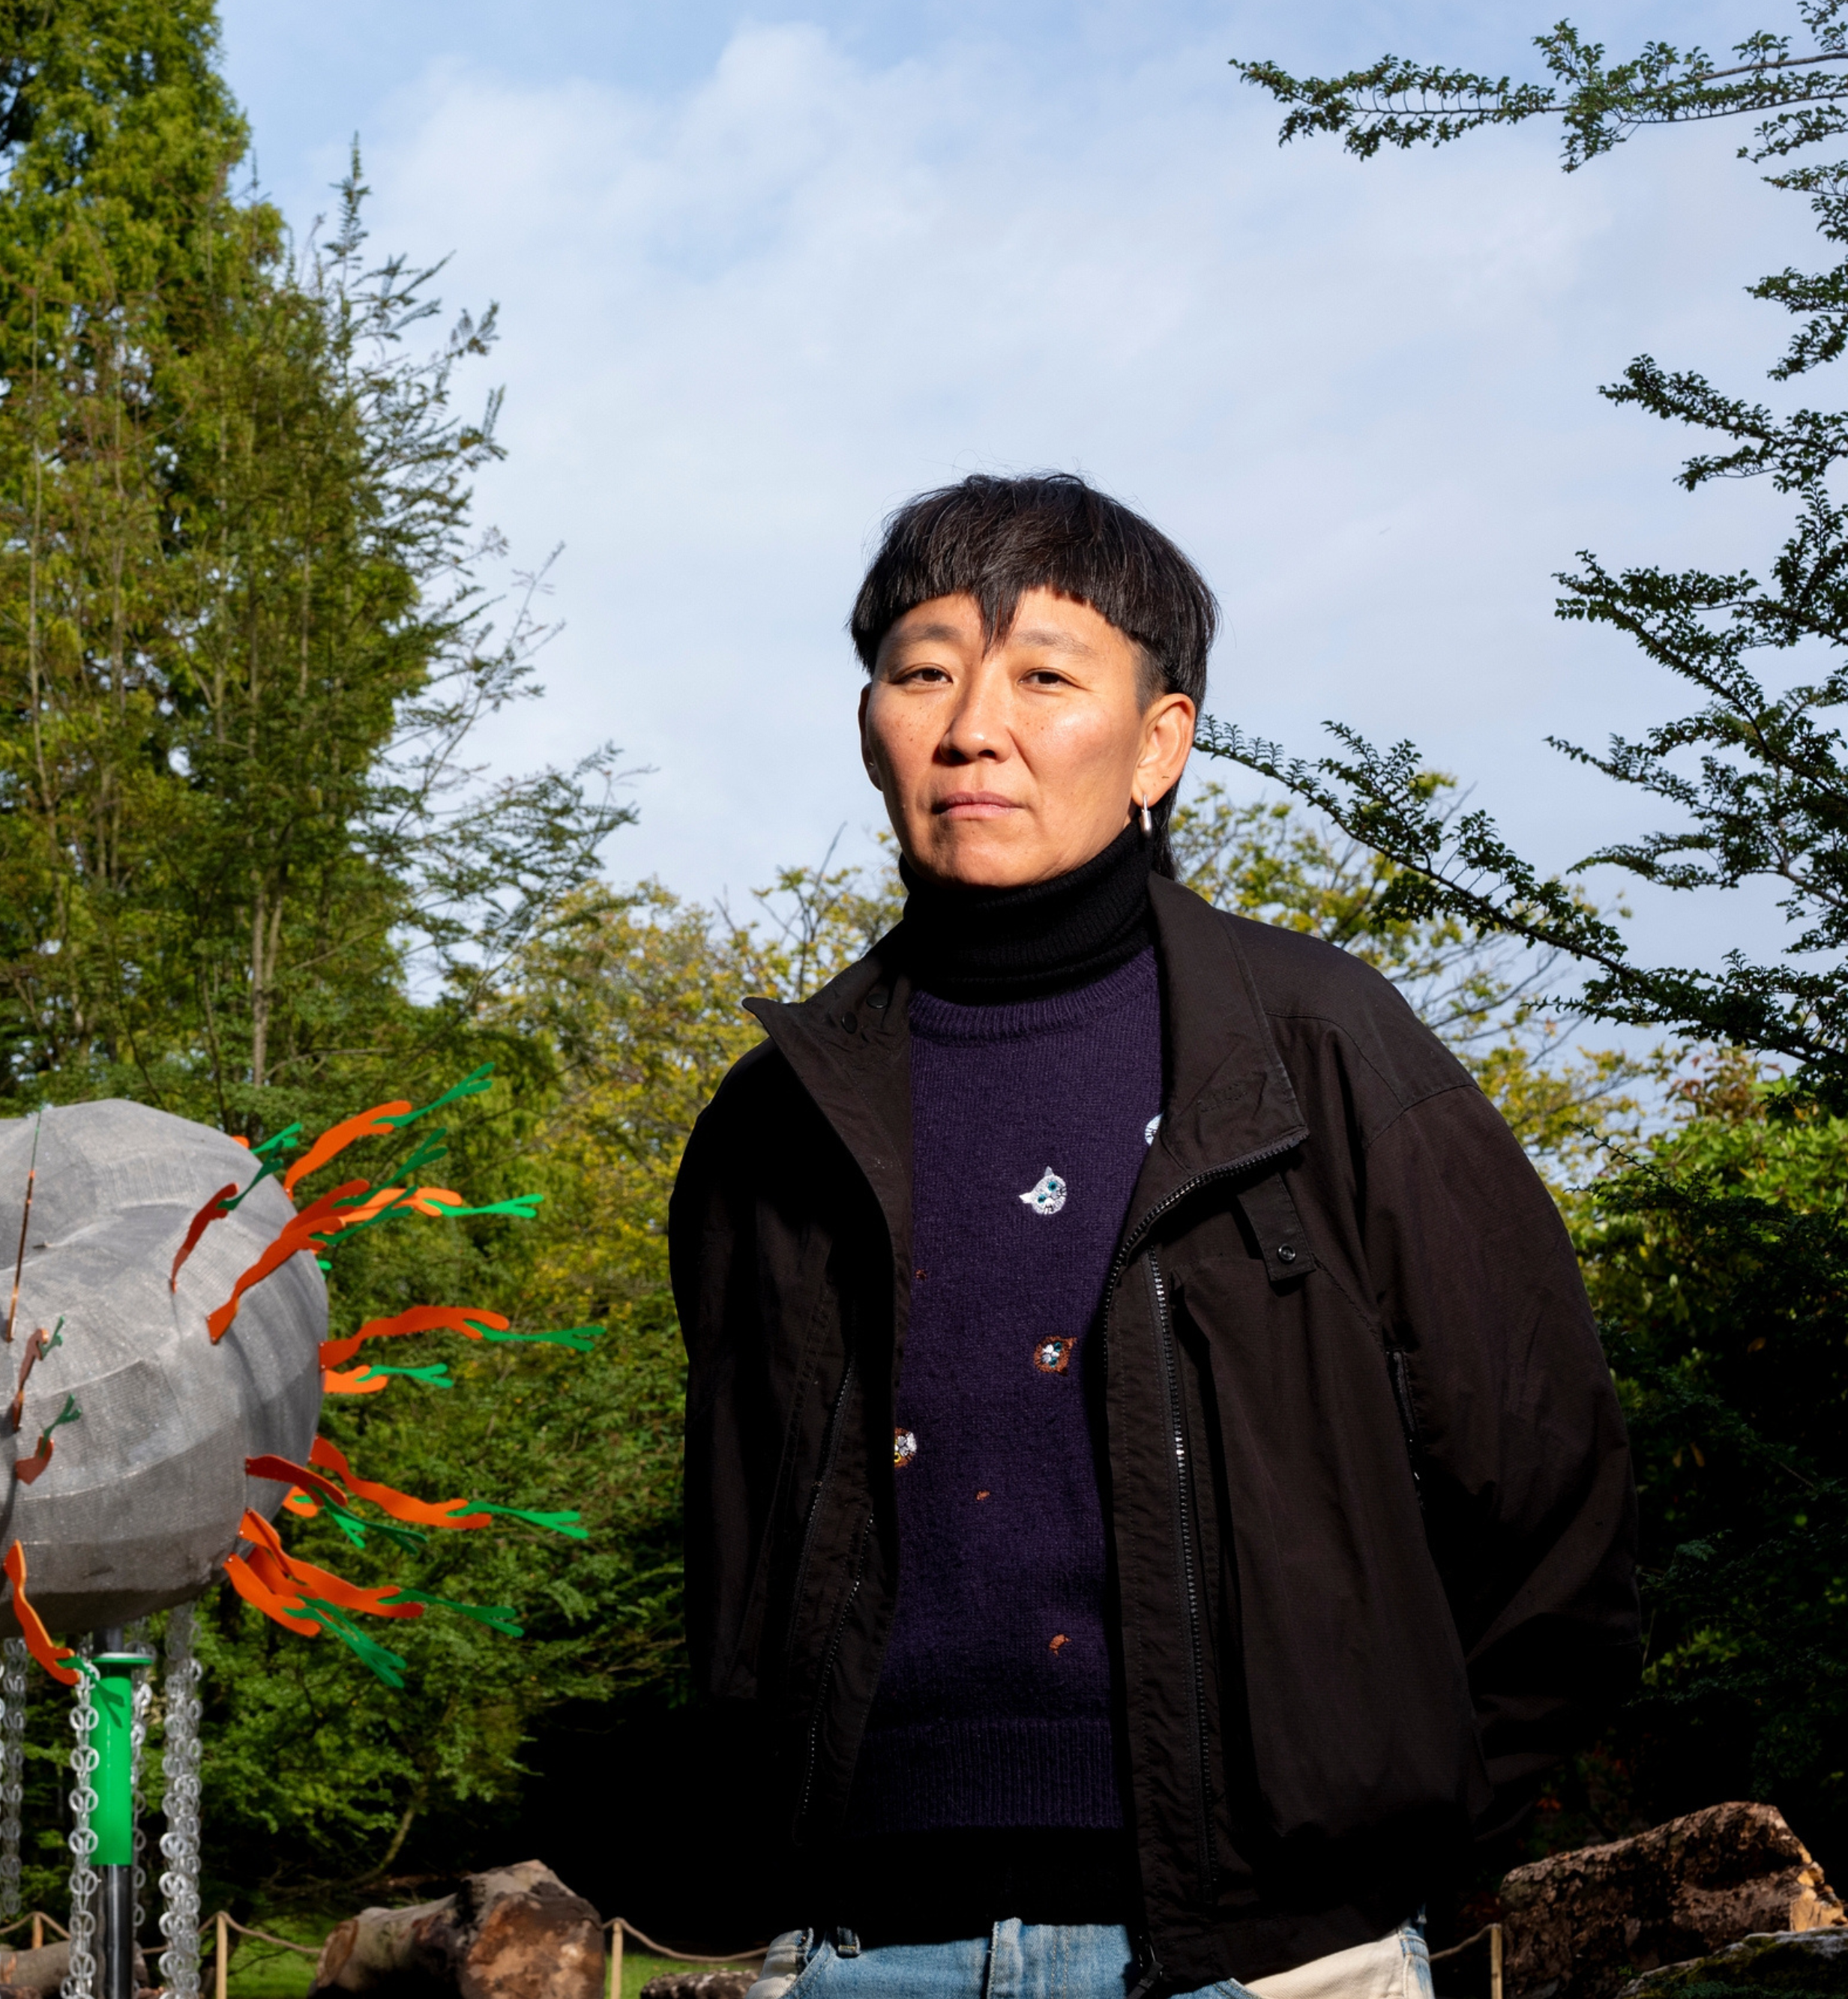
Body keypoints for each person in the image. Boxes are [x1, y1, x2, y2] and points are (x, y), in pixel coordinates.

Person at [669, 475, 1638, 1999]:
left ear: (1159, 742)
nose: (970, 723)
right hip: (865, 1950)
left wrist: (1386, 1841)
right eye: (923, 669)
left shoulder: (1318, 1049)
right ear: (870, 722)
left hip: (1267, 1955)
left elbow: (1548, 1489)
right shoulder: (770, 1126)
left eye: (1043, 674)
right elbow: (736, 1550)